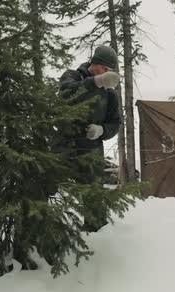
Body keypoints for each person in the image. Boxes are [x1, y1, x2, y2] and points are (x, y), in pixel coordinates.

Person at [58, 45, 121, 232]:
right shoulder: (72, 76)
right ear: (98, 65)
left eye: (110, 72)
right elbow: (66, 96)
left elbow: (115, 123)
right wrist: (96, 82)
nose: (109, 74)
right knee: (47, 185)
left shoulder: (110, 93)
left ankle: (95, 235)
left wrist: (102, 130)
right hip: (64, 145)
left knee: (93, 197)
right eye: (107, 70)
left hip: (91, 150)